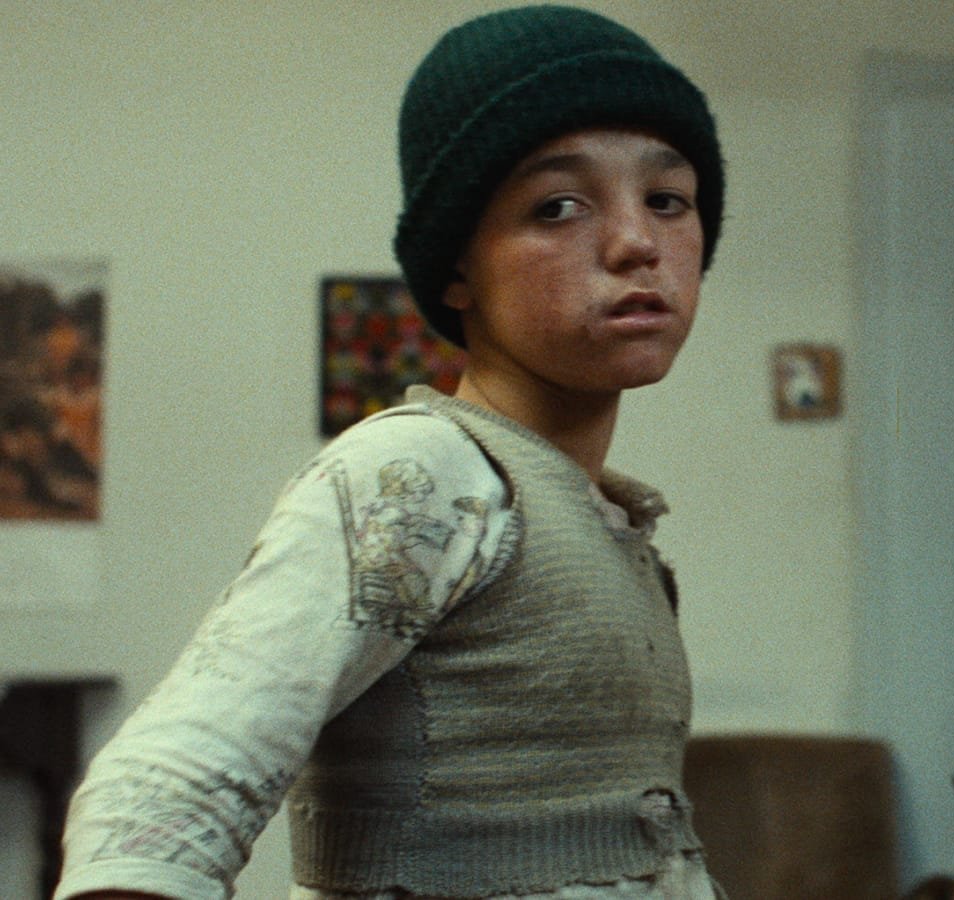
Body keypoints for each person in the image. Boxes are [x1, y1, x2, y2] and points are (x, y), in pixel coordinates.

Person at [54, 5, 726, 899]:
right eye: (557, 206)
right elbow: (171, 780)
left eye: (668, 200)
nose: (637, 242)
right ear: (456, 269)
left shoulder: (603, 514)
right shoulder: (424, 475)